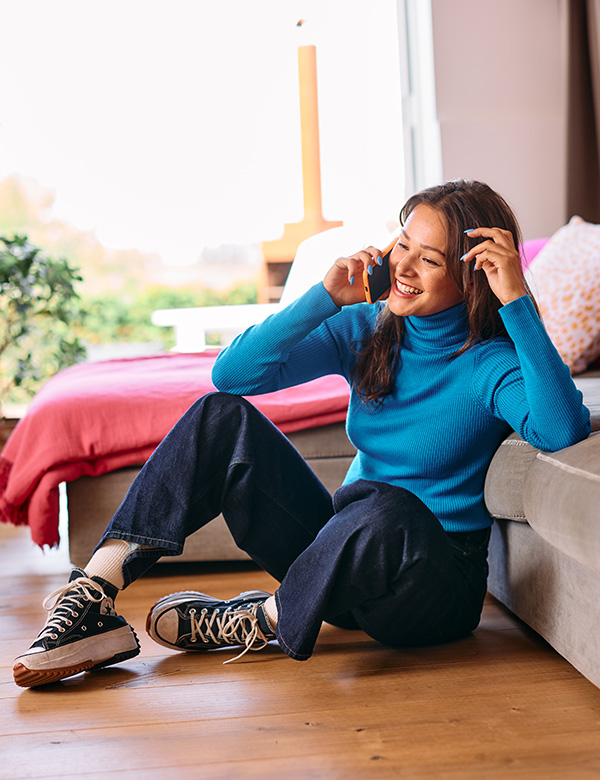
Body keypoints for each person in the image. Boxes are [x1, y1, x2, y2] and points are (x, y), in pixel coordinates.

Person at [13, 179, 591, 688]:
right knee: (220, 416)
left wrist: (516, 301)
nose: (404, 267)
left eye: (430, 260)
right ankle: (94, 596)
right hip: (342, 553)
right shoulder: (367, 327)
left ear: (473, 278)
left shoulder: (491, 361)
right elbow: (233, 375)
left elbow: (561, 427)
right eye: (402, 246)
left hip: (431, 588)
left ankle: (258, 620)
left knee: (385, 504)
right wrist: (323, 297)